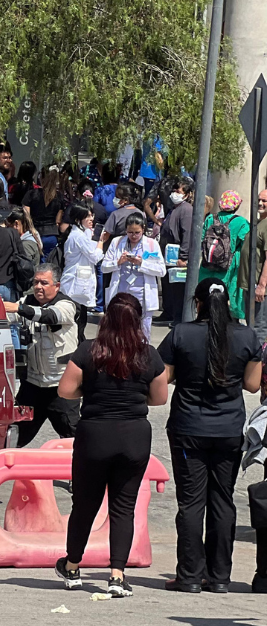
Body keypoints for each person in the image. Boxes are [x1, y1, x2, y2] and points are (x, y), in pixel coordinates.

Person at [54, 292, 169, 597]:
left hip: (95, 434)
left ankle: (73, 566)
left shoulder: (89, 350)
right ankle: (117, 576)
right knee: (123, 507)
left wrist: (93, 392)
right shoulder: (149, 355)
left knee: (85, 504)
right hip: (134, 435)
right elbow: (159, 397)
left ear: (106, 319)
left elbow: (65, 391)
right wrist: (133, 396)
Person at [159, 279, 263, 594]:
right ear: (228, 302)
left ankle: (190, 576)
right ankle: (219, 577)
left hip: (188, 428)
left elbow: (165, 379)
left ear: (198, 302)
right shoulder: (246, 336)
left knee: (191, 503)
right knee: (222, 501)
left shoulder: (180, 333)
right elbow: (253, 385)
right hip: (229, 429)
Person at [5, 264, 81, 447]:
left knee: (73, 436)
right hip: (33, 385)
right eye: (36, 282)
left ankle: (82, 474)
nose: (38, 286)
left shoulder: (66, 305)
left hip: (61, 386)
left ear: (57, 286)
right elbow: (8, 317)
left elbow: (50, 316)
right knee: (15, 434)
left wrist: (18, 308)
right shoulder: (27, 301)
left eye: (44, 283)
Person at [101, 213, 165, 340]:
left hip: (142, 293)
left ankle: (142, 354)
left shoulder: (152, 244)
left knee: (142, 330)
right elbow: (104, 267)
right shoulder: (117, 242)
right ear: (126, 230)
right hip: (121, 293)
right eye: (130, 232)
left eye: (137, 232)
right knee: (119, 328)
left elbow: (162, 271)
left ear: (143, 229)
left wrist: (142, 263)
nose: (134, 236)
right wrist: (118, 262)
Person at [199, 190, 252, 321]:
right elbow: (247, 243)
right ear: (237, 205)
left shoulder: (210, 218)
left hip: (208, 265)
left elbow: (202, 239)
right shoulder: (241, 222)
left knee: (208, 293)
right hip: (230, 266)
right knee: (230, 295)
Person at [60, 203, 105, 342]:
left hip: (78, 282)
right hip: (75, 283)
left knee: (80, 318)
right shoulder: (77, 237)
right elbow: (95, 256)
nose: (91, 219)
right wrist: (101, 242)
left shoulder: (81, 234)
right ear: (78, 219)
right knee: (78, 320)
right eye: (88, 216)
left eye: (92, 215)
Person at [160, 178, 196, 325]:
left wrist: (184, 256)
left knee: (177, 289)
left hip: (177, 256)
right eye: (174, 191)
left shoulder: (186, 210)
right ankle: (168, 312)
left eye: (178, 191)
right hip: (168, 255)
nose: (175, 194)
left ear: (186, 194)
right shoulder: (174, 208)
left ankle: (178, 317)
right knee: (168, 286)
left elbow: (187, 234)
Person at [241, 189, 267, 339]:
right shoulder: (258, 222)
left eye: (265, 201)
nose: (261, 203)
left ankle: (259, 361)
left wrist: (262, 285)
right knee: (251, 324)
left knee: (259, 327)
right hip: (250, 284)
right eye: (259, 200)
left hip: (260, 288)